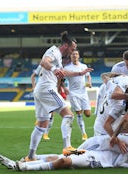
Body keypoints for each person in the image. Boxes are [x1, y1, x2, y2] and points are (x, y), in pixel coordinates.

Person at [24, 31, 93, 161]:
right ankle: (67, 147)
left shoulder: (59, 57)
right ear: (66, 46)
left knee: (42, 123)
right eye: (72, 49)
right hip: (47, 88)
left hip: (41, 90)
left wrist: (80, 73)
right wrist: (54, 69)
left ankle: (31, 156)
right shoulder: (54, 51)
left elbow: (63, 72)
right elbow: (44, 62)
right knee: (68, 114)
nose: (72, 52)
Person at [0, 134, 128, 171]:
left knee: (63, 158)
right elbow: (118, 163)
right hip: (95, 156)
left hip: (95, 156)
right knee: (65, 160)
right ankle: (25, 166)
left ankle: (25, 163)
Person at [63, 49, 92, 141]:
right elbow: (61, 80)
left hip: (83, 92)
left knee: (88, 114)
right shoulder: (67, 68)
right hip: (73, 93)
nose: (74, 55)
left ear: (78, 56)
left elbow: (88, 75)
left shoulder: (84, 66)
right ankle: (84, 133)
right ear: (70, 56)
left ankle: (80, 109)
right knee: (79, 113)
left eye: (76, 54)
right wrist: (64, 88)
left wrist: (89, 82)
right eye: (73, 54)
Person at [31, 64, 54, 140]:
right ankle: (40, 125)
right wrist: (34, 86)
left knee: (51, 113)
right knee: (45, 114)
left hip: (52, 91)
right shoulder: (41, 66)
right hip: (41, 91)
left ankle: (46, 134)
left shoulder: (57, 65)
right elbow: (33, 76)